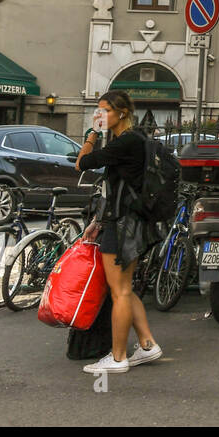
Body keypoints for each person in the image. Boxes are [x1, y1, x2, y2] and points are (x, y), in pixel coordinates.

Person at [74, 90, 162, 374]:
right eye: (97, 111)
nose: (100, 116)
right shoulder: (135, 140)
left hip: (123, 225)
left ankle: (118, 357)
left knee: (120, 290)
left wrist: (91, 134)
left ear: (122, 112)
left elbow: (82, 163)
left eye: (105, 111)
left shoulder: (126, 142)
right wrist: (98, 222)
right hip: (130, 222)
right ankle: (148, 344)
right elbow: (116, 189)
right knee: (125, 288)